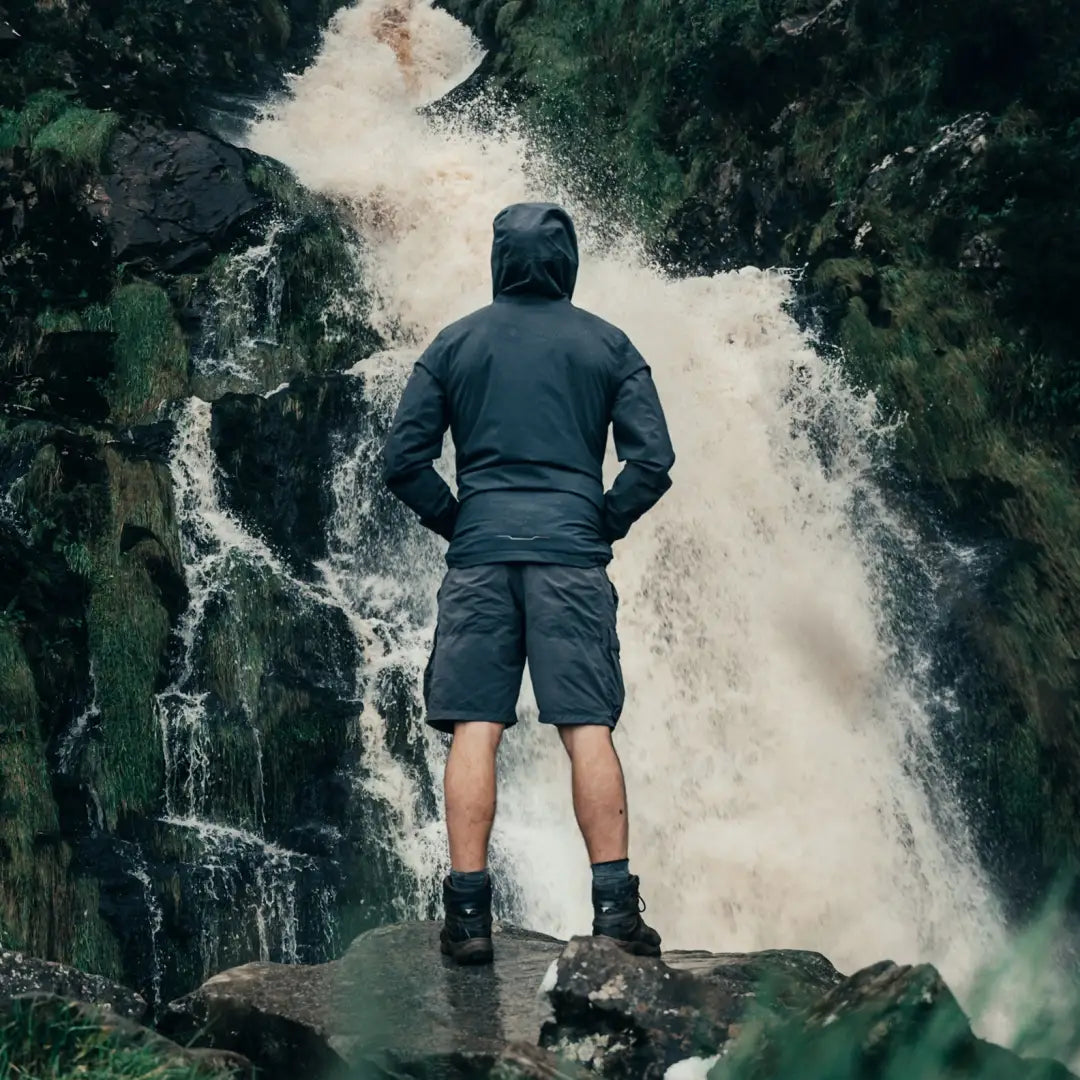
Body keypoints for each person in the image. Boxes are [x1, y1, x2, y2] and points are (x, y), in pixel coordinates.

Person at [382, 202, 675, 965]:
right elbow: (653, 462)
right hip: (572, 555)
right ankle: (615, 915)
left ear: (498, 260)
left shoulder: (455, 343)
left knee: (475, 724)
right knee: (587, 725)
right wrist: (600, 520)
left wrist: (458, 520)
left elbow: (402, 461)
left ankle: (468, 920)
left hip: (480, 553)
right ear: (567, 261)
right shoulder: (609, 344)